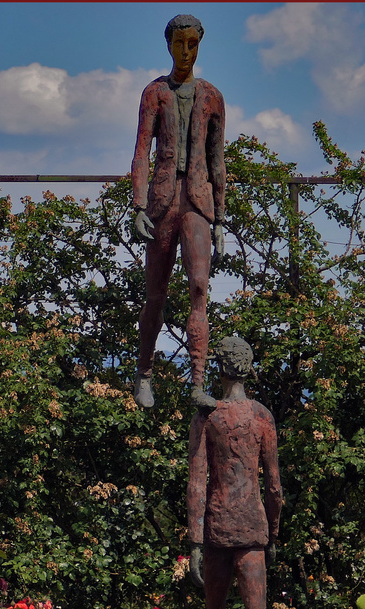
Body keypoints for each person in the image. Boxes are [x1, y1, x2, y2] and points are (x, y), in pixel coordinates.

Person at [129, 13, 226, 411]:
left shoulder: (213, 97)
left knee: (199, 289)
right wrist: (137, 206)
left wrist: (220, 218)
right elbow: (140, 153)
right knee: (156, 295)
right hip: (163, 200)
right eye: (179, 43)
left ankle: (198, 382)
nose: (186, 51)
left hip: (198, 202)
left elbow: (217, 160)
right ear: (168, 45)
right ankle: (144, 372)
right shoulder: (154, 92)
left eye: (193, 44)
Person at [187, 336, 281, 609]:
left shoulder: (207, 416)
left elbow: (195, 482)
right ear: (248, 365)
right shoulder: (261, 416)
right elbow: (274, 486)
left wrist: (194, 540)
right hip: (252, 527)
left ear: (220, 367)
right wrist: (273, 533)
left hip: (216, 526)